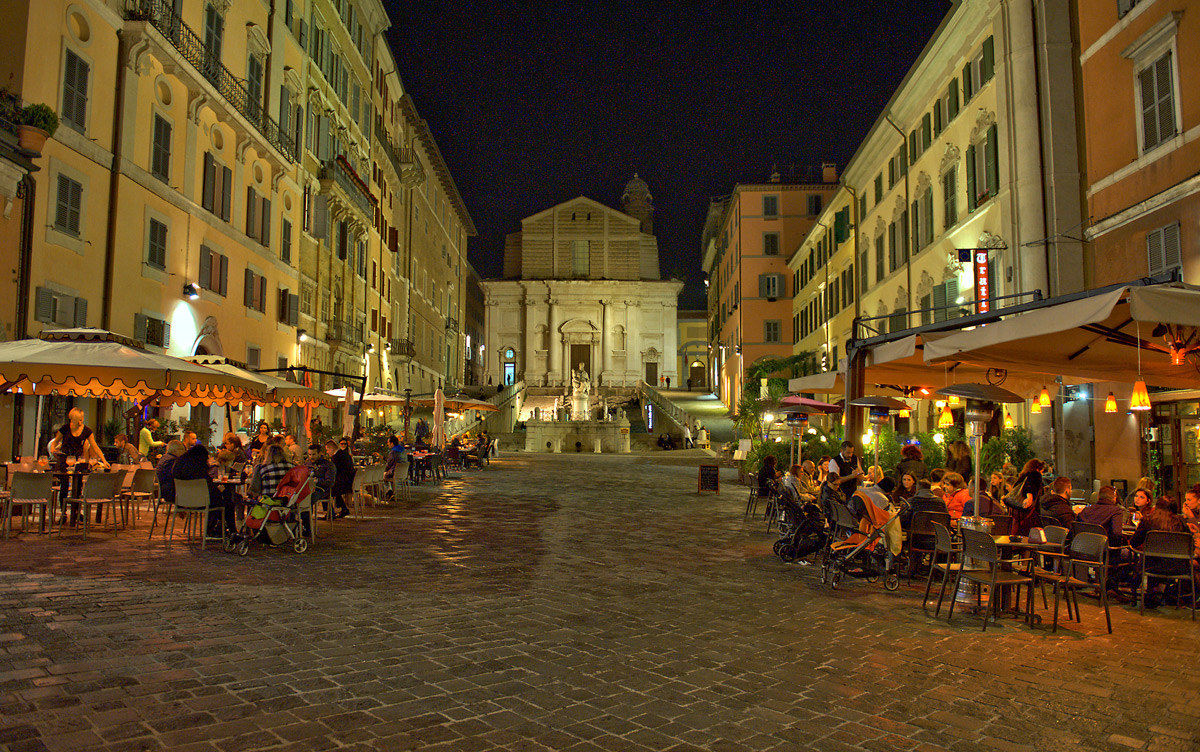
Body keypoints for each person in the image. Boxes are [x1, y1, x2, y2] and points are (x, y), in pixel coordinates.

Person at [1130, 497, 1190, 607]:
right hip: (1177, 567)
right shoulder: (1181, 522)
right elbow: (1189, 545)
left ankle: (1152, 593)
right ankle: (1159, 591)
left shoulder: (1147, 520)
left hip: (1151, 566)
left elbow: (1134, 543)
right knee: (1161, 557)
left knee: (1150, 557)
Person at [172, 437, 233, 536]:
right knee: (226, 502)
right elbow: (210, 488)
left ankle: (214, 529)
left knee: (218, 502)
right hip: (201, 501)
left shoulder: (179, 465)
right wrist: (221, 490)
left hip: (183, 500)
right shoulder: (200, 471)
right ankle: (230, 530)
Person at [1006, 459, 1046, 536]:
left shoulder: (1022, 476)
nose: (1042, 474)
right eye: (1041, 471)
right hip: (1029, 513)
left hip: (1018, 513)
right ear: (1038, 469)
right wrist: (1029, 497)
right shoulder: (1035, 474)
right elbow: (1029, 486)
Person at [305, 444, 336, 531]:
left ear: (320, 453)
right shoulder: (307, 463)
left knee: (308, 499)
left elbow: (330, 482)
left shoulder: (328, 465)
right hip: (308, 488)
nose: (311, 457)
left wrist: (317, 481)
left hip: (321, 490)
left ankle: (307, 527)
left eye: (314, 454)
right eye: (310, 454)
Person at [155, 440, 187, 506]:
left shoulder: (164, 458)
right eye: (183, 450)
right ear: (177, 450)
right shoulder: (173, 461)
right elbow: (178, 477)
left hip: (162, 490)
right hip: (171, 492)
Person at [329, 439, 354, 519]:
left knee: (327, 489)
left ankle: (330, 512)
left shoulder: (335, 457)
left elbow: (333, 472)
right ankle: (342, 509)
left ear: (331, 449)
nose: (327, 452)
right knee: (333, 489)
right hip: (349, 481)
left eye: (327, 450)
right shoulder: (345, 454)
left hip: (343, 483)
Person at [1181, 484, 1200, 561]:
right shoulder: (1192, 511)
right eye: (1185, 500)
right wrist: (1185, 516)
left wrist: (1191, 517)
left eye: (1189, 500)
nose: (1186, 503)